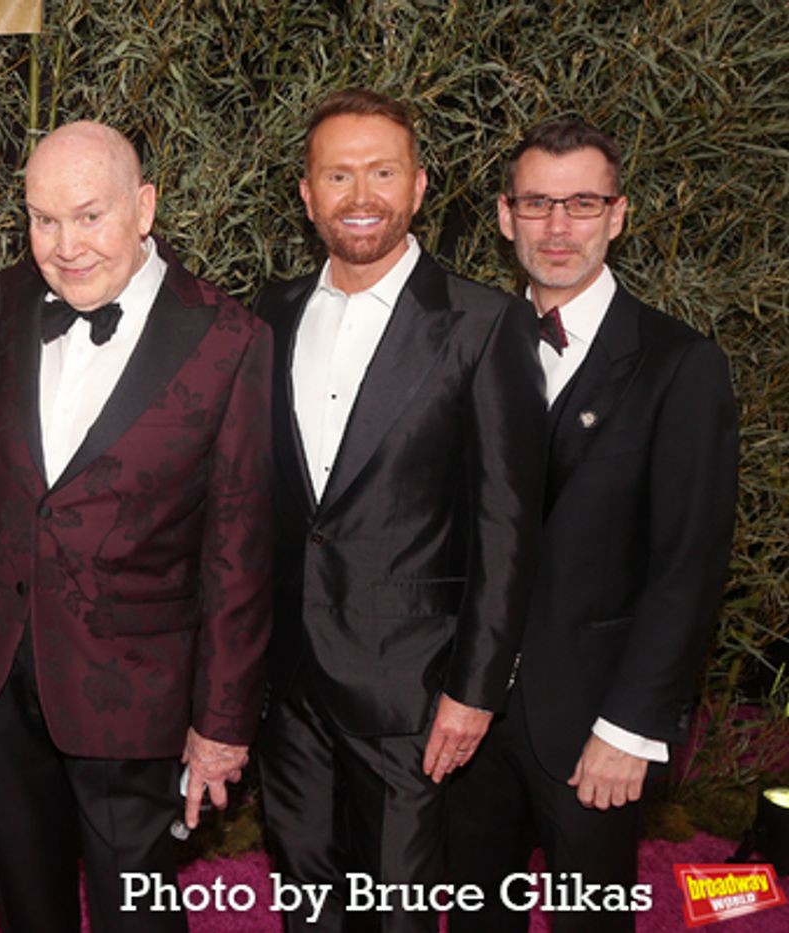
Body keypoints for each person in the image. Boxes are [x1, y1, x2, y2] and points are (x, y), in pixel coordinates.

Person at [0, 120, 273, 932]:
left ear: (144, 207)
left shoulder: (229, 340)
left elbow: (240, 553)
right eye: (42, 219)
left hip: (136, 698)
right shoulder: (7, 299)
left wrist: (222, 725)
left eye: (89, 215)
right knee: (28, 908)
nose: (64, 245)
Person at [254, 89, 546, 932]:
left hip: (410, 691)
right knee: (307, 898)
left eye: (381, 171)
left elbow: (507, 525)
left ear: (419, 186)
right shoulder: (267, 315)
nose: (361, 195)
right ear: (306, 194)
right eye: (337, 174)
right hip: (284, 686)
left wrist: (476, 689)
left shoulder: (484, 325)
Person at [445, 118, 739, 932]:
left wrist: (633, 727)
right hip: (466, 721)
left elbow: (688, 565)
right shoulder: (463, 347)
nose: (559, 227)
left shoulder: (681, 365)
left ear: (618, 214)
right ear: (505, 216)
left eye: (582, 202)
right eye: (538, 202)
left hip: (593, 726)